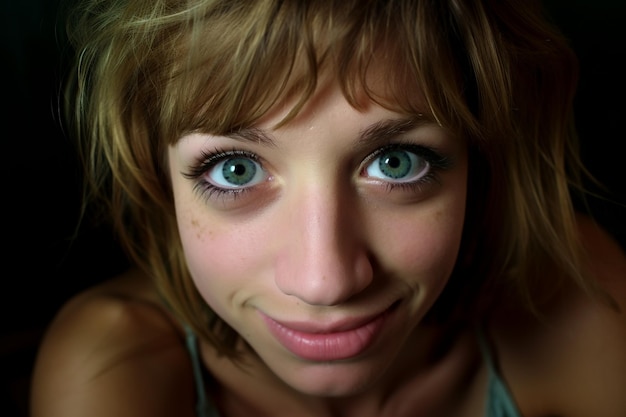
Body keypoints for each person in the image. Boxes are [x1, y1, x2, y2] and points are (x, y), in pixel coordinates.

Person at [30, 0, 626, 416]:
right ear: (157, 178)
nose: (326, 281)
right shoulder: (113, 369)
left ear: (482, 165)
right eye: (235, 170)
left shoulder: (578, 306)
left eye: (397, 162)